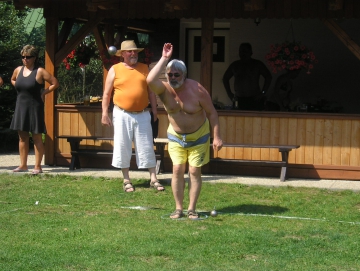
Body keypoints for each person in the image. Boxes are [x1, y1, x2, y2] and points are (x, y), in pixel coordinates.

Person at [147, 43, 223, 219]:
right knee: (177, 169)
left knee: (195, 171)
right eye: (170, 74)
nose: (173, 77)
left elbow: (212, 113)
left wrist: (217, 136)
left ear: (185, 75)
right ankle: (178, 208)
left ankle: (192, 209)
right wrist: (164, 58)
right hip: (176, 136)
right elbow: (150, 80)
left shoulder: (197, 90)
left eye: (176, 74)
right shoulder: (164, 89)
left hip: (199, 135)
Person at [101, 40, 164, 192]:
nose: (133, 54)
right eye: (130, 51)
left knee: (147, 145)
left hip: (143, 113)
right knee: (123, 145)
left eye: (135, 51)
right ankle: (126, 179)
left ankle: (153, 178)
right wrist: (104, 113)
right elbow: (107, 93)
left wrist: (154, 110)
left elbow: (151, 91)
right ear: (122, 54)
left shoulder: (144, 68)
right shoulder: (114, 69)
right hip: (122, 113)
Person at [10, 45, 59, 174]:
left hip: (34, 107)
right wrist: (20, 87)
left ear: (34, 58)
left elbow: (55, 83)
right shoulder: (18, 70)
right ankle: (23, 165)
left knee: (36, 137)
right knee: (22, 137)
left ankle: (37, 166)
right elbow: (12, 80)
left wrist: (43, 93)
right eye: (23, 57)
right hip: (20, 106)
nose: (25, 59)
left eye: (28, 57)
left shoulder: (40, 71)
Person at [222, 42, 272, 110]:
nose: (243, 53)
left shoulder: (257, 64)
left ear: (250, 52)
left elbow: (268, 77)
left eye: (245, 51)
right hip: (239, 99)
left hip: (255, 98)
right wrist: (229, 94)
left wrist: (263, 92)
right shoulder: (235, 65)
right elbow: (225, 78)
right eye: (241, 51)